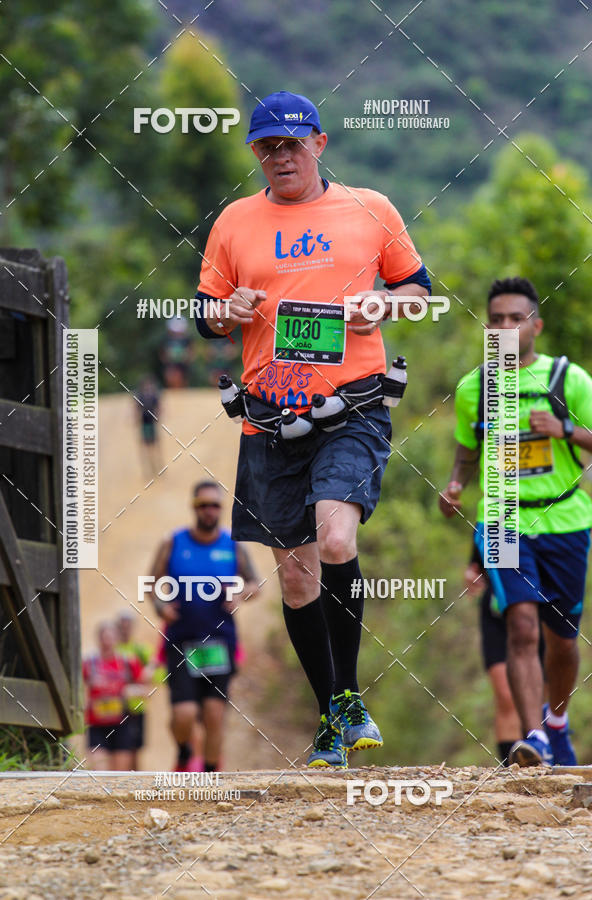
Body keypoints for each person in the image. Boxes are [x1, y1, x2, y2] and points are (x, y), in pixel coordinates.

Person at [194, 90, 430, 767]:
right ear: (256, 155)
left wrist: (382, 304)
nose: (280, 156)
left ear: (319, 144)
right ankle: (336, 709)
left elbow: (418, 290)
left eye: (291, 144)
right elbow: (209, 311)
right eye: (266, 146)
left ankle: (346, 699)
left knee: (334, 536)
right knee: (295, 580)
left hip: (353, 408)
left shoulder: (371, 208)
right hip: (268, 421)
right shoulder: (234, 222)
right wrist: (228, 309)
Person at [440, 276, 592, 767]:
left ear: (536, 325)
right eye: (497, 319)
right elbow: (468, 449)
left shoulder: (569, 379)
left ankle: (556, 721)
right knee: (522, 627)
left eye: (516, 318)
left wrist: (565, 429)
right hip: (502, 516)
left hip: (565, 518)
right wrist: (455, 485)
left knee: (562, 641)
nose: (505, 328)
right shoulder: (475, 386)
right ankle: (536, 741)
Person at [149, 481, 260, 772]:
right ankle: (184, 749)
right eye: (204, 505)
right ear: (194, 507)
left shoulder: (232, 546)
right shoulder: (173, 542)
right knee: (184, 714)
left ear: (221, 510)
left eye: (215, 505)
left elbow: (255, 584)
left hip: (219, 642)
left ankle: (211, 775)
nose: (209, 510)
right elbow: (151, 581)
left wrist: (240, 593)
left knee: (213, 714)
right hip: (181, 640)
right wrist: (161, 606)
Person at [464, 540, 545, 765]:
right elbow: (490, 541)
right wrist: (474, 568)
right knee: (506, 696)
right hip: (499, 611)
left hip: (544, 606)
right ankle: (513, 768)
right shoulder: (503, 506)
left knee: (538, 697)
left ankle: (540, 755)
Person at [82, 622, 144, 771]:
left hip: (122, 724)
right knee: (99, 773)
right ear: (99, 640)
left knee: (119, 777)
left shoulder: (128, 661)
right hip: (96, 725)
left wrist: (130, 691)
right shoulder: (89, 663)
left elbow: (145, 689)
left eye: (111, 638)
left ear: (116, 640)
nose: (107, 643)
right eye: (104, 639)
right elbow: (78, 688)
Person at [115, 611, 152, 770]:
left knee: (135, 748)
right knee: (119, 747)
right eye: (122, 627)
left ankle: (135, 779)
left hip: (137, 706)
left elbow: (155, 674)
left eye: (127, 627)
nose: (125, 630)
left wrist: (146, 683)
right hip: (116, 707)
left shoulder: (141, 650)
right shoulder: (113, 649)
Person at [134, 375, 162, 478]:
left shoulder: (154, 396)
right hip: (144, 422)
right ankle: (148, 470)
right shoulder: (140, 396)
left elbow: (159, 407)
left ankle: (157, 467)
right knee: (145, 447)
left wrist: (158, 416)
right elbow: (136, 409)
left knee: (155, 446)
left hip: (151, 422)